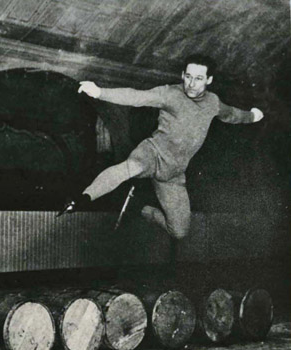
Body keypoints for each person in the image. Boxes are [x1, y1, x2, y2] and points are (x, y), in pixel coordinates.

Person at [58, 54, 264, 240]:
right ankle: (82, 198)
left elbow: (233, 115)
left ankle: (140, 209)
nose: (191, 84)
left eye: (199, 79)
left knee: (179, 232)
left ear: (209, 80)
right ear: (183, 74)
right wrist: (100, 92)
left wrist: (253, 116)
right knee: (132, 166)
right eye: (188, 76)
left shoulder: (213, 103)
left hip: (173, 174)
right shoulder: (170, 94)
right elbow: (136, 96)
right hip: (153, 153)